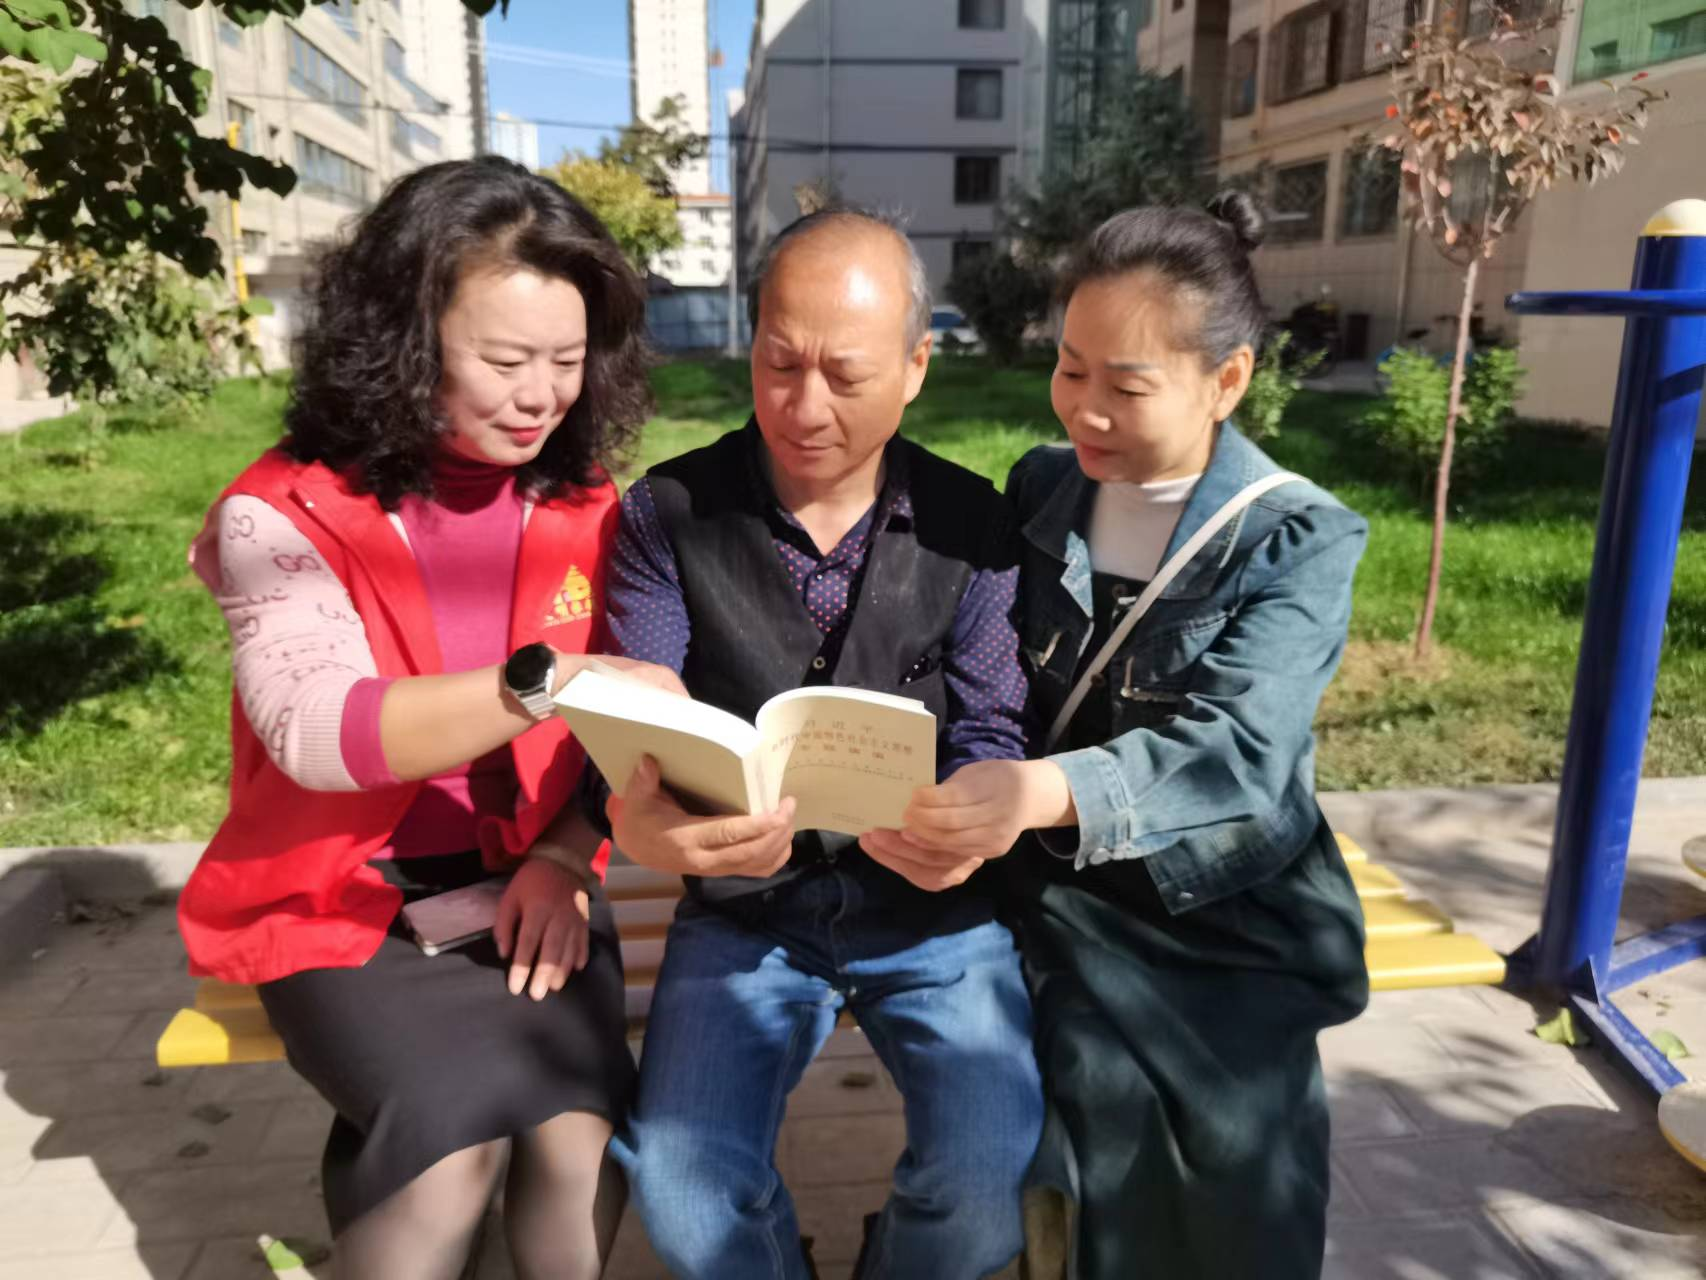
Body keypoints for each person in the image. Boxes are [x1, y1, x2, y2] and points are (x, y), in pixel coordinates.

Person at [177, 156, 680, 1280]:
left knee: (572, 1129)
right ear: (405, 341)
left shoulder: (583, 501)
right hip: (340, 902)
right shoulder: (283, 513)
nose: (540, 395)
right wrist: (548, 681)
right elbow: (320, 731)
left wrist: (566, 855)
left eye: (566, 361)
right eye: (503, 361)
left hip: (532, 877)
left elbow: (610, 751)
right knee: (449, 1146)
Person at [865, 192, 1372, 1279]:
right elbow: (972, 659)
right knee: (1084, 1084)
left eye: (1126, 386)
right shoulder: (1042, 486)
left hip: (1221, 903)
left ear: (1225, 380)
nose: (1085, 411)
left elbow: (1239, 749)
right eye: (1069, 369)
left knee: (1241, 1148)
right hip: (1052, 881)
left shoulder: (1297, 537)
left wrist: (1038, 793)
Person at [600, 208, 1044, 1280]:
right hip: (744, 907)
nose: (803, 409)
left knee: (989, 1184)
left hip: (929, 905)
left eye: (845, 375)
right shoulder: (668, 513)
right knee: (684, 1191)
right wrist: (645, 816)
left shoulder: (973, 525)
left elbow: (991, 724)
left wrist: (965, 821)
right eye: (777, 362)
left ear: (916, 366)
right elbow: (646, 715)